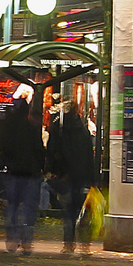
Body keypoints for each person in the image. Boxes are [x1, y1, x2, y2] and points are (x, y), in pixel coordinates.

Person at [0, 97, 45, 254]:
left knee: (12, 207)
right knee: (29, 209)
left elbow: (0, 148)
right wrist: (41, 167)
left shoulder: (6, 126)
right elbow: (39, 149)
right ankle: (27, 241)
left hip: (13, 171)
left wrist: (1, 162)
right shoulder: (32, 127)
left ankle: (12, 239)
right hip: (30, 173)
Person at [46, 100, 97, 254]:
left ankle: (68, 244)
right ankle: (85, 244)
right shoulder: (83, 131)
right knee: (82, 211)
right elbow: (89, 156)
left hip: (65, 176)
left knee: (68, 211)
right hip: (81, 176)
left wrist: (52, 170)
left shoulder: (59, 130)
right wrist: (93, 179)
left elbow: (51, 151)